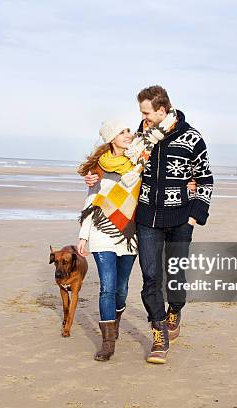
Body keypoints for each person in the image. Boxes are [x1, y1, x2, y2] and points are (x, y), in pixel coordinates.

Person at [85, 85, 213, 364]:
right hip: (146, 219)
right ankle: (159, 334)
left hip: (180, 218)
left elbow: (205, 180)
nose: (141, 117)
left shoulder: (192, 138)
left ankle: (175, 310)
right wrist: (94, 177)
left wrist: (194, 215)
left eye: (146, 112)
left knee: (175, 278)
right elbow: (114, 161)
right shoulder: (140, 139)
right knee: (151, 279)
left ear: (161, 110)